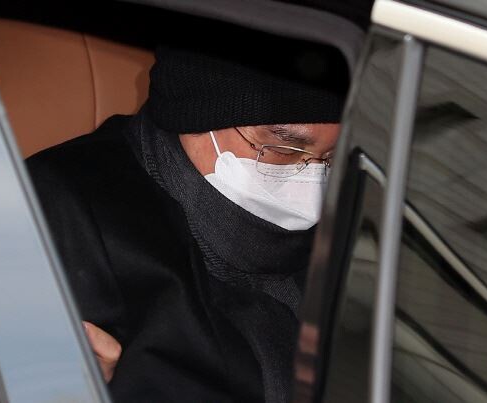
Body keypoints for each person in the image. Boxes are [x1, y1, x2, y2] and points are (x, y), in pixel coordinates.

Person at [26, 3, 370, 402]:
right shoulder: (59, 212)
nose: (311, 194)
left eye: (330, 159)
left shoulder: (350, 231)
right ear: (197, 113)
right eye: (281, 150)